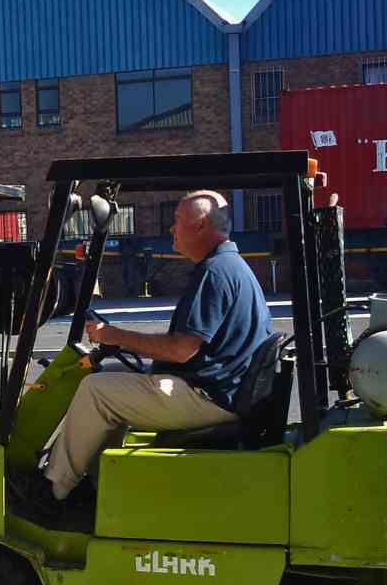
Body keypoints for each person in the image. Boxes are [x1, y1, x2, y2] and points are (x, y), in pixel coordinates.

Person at [28, 190, 273, 505]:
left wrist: (116, 336)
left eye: (177, 220)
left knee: (96, 390)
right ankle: (95, 482)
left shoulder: (215, 272)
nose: (171, 229)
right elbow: (189, 344)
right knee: (110, 378)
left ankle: (52, 489)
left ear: (200, 226)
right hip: (222, 386)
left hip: (211, 395)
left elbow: (181, 350)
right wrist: (121, 341)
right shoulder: (228, 265)